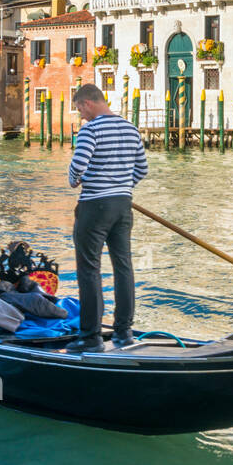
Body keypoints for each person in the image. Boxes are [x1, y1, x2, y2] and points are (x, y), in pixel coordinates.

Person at [64, 83, 147, 353]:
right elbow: (142, 169)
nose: (81, 116)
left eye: (79, 109)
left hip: (95, 206)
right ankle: (124, 333)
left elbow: (78, 164)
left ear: (88, 103)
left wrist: (75, 181)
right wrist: (122, 186)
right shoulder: (130, 128)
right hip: (123, 206)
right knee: (123, 266)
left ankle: (91, 337)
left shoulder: (91, 129)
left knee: (89, 270)